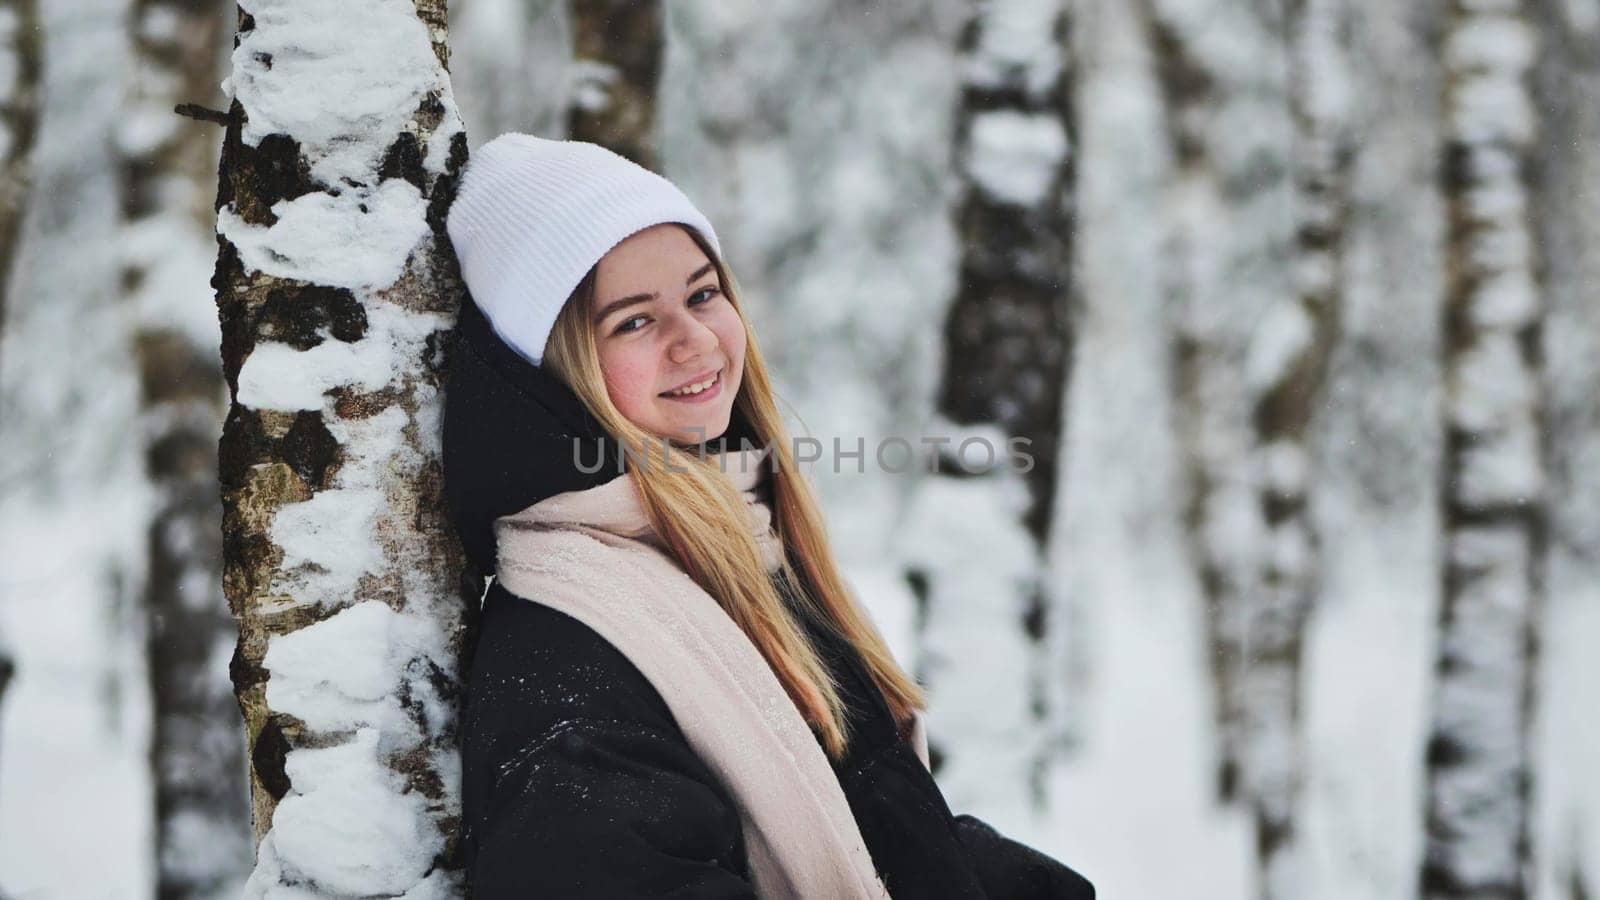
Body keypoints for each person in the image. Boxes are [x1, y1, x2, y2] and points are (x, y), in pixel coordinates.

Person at [442, 133, 1094, 899]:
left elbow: (880, 831)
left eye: (702, 293)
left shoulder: (737, 553)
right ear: (557, 370)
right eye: (633, 321)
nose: (696, 341)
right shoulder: (565, 666)